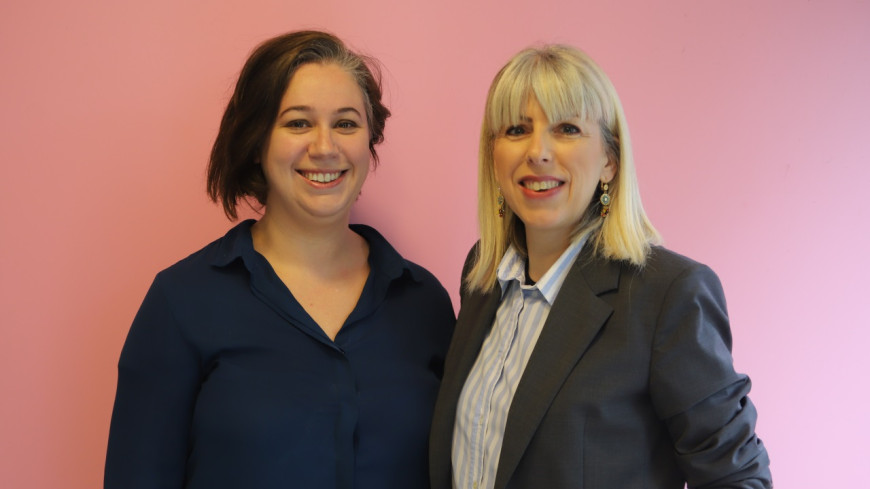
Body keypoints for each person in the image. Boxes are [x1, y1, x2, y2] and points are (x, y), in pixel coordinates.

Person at [105, 30, 455, 489]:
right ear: (256, 142)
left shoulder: (424, 303)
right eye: (298, 123)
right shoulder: (181, 303)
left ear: (370, 141)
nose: (325, 147)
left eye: (346, 124)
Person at [429, 45, 772, 489]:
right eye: (517, 129)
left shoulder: (668, 295)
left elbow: (739, 478)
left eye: (567, 129)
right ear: (494, 157)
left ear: (609, 160)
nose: (538, 151)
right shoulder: (483, 273)